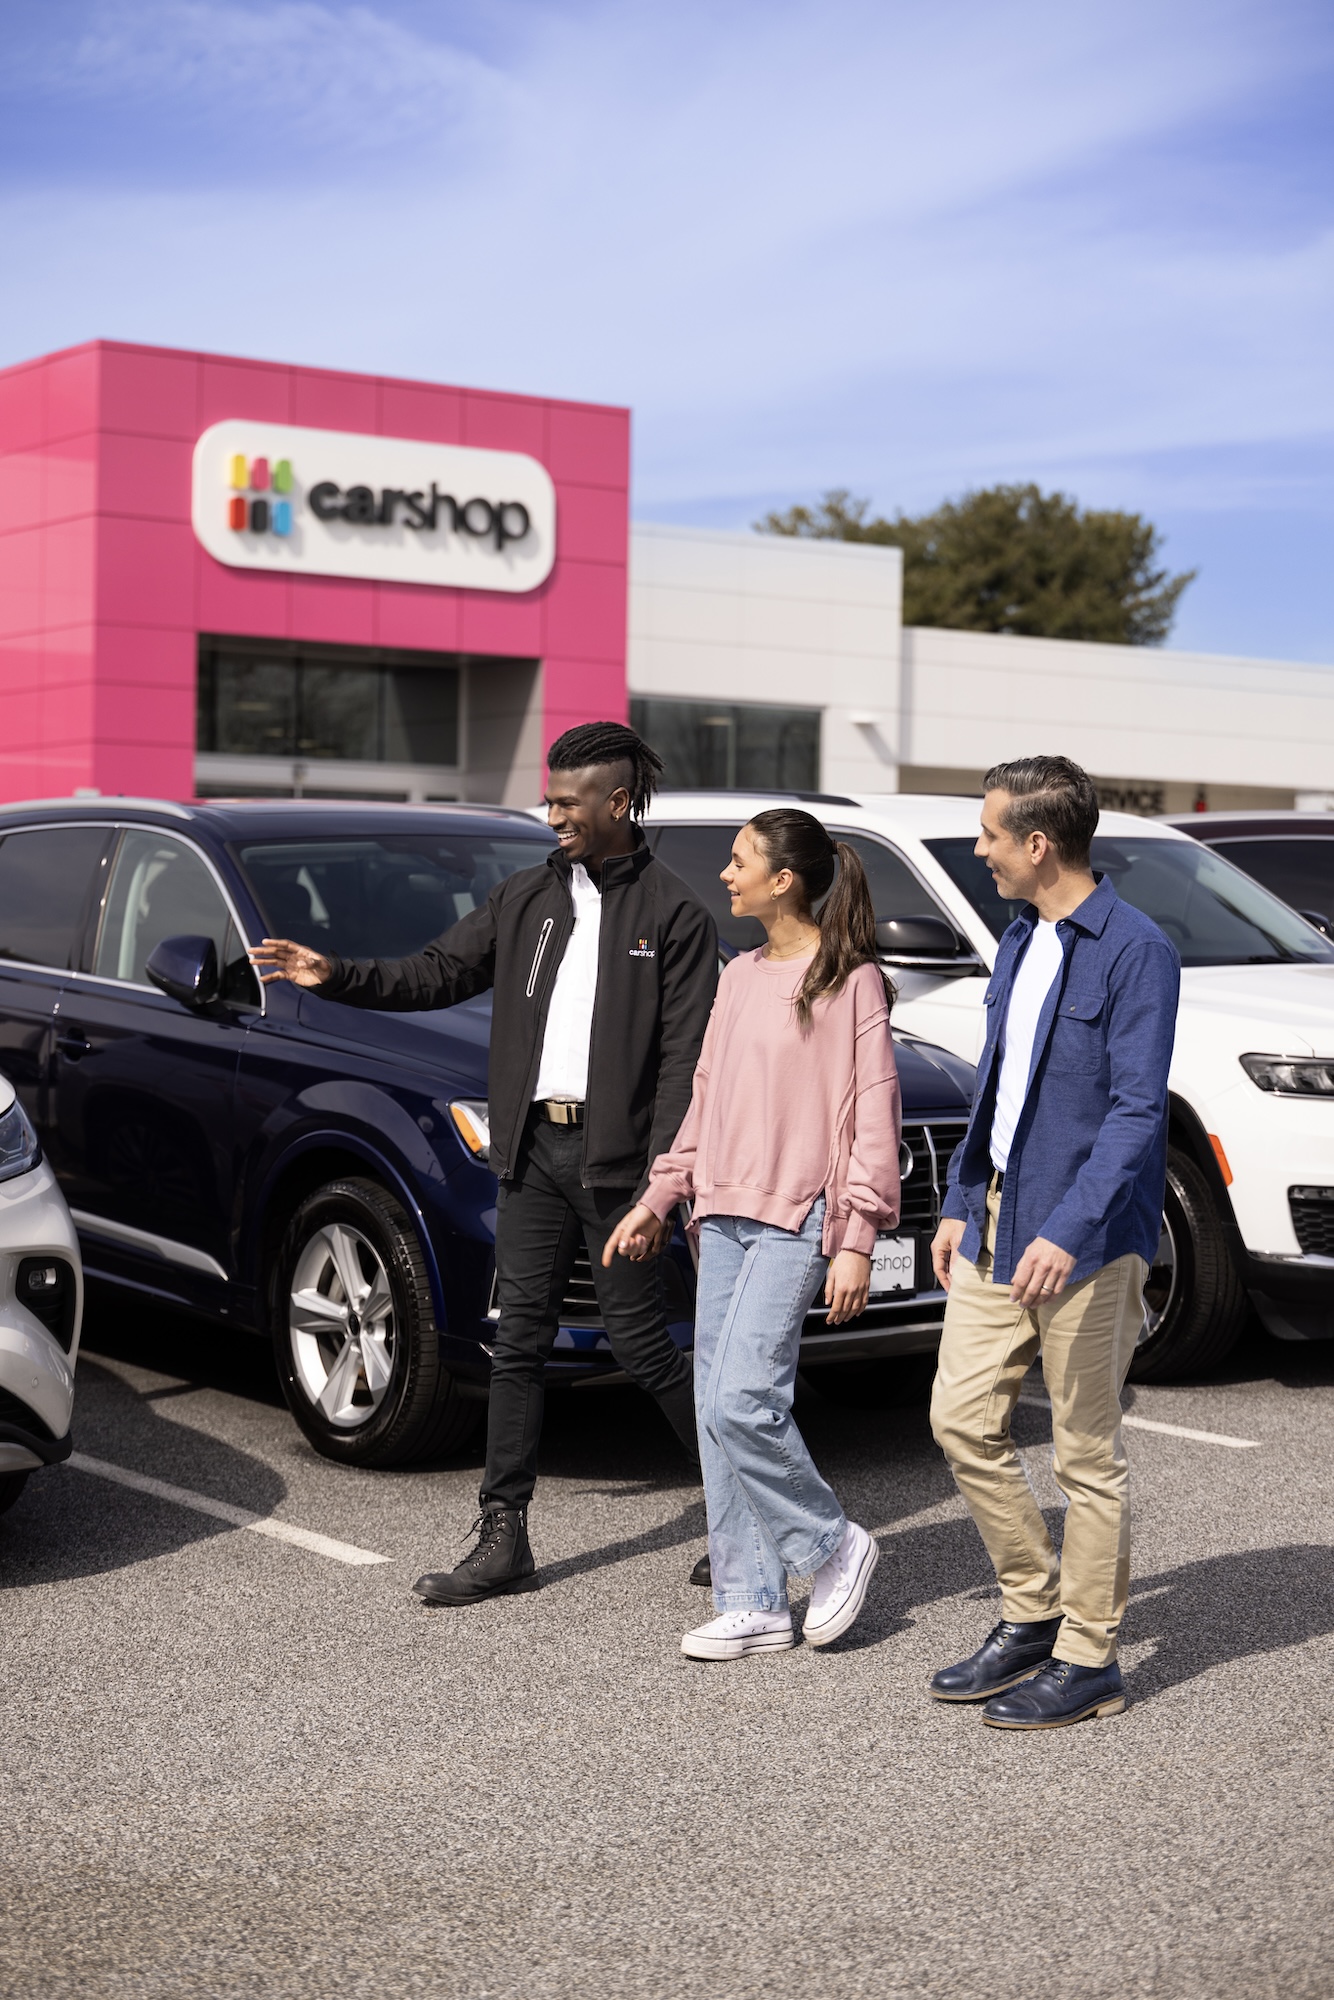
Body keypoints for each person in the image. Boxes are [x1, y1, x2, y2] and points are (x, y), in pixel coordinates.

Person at [250, 722, 718, 1604]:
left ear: (618, 803)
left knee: (643, 1345)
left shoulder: (675, 915)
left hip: (617, 1167)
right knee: (517, 1343)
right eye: (549, 801)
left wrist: (662, 1188)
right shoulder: (524, 899)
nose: (552, 816)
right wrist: (335, 972)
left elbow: (686, 1063)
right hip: (533, 1152)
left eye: (569, 803)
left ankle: (741, 1512)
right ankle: (504, 1537)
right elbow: (431, 974)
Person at [607, 809, 901, 1660]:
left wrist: (855, 1236)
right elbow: (706, 1101)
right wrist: (660, 1197)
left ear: (785, 880)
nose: (725, 875)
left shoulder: (851, 981)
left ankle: (832, 1544)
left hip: (798, 1216)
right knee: (712, 1409)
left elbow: (873, 1119)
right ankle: (754, 1602)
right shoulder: (737, 979)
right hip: (719, 1217)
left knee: (744, 1399)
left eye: (740, 863)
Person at [928, 755, 1179, 1728]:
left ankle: (1088, 1657)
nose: (979, 848)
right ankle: (1032, 1606)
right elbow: (995, 1084)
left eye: (989, 834)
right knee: (960, 1419)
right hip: (997, 1219)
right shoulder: (1018, 936)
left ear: (1038, 843)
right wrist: (957, 1196)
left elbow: (1133, 1111)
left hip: (1086, 1238)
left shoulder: (1133, 949)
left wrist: (1069, 1230)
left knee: (1083, 1452)